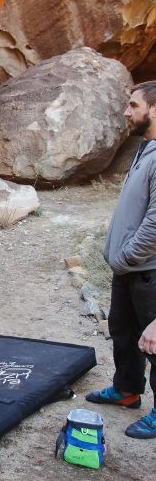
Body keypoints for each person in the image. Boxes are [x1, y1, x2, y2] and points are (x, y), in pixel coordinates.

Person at [87, 81, 156, 439]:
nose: (127, 112)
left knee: (154, 342)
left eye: (134, 105)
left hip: (148, 272)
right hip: (129, 269)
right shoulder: (146, 148)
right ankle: (127, 390)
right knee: (125, 334)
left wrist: (127, 255)